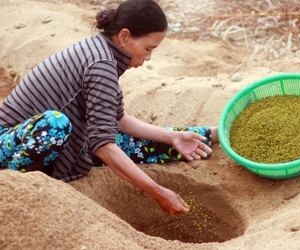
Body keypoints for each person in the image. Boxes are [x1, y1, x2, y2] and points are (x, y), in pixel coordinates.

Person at [0, 0, 218, 215]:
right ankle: (15, 188)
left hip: (67, 140)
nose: (149, 57)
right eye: (148, 48)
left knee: (137, 144)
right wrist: (157, 192)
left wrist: (171, 137)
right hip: (11, 145)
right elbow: (102, 145)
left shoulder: (101, 53)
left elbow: (118, 120)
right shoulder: (101, 64)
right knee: (56, 124)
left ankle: (215, 134)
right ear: (124, 36)